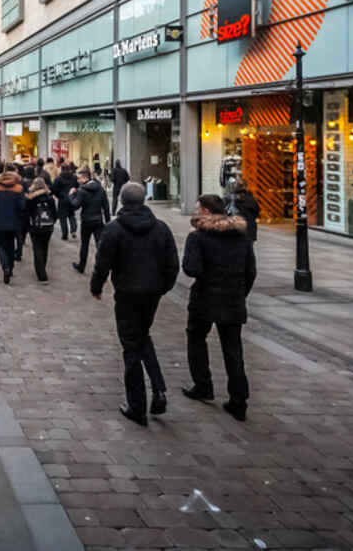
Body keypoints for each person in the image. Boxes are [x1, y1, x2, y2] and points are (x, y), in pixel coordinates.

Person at [90, 182, 179, 426]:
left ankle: (137, 405)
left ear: (122, 201)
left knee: (131, 345)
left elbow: (103, 262)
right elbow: (172, 264)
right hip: (151, 294)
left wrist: (96, 287)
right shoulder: (161, 228)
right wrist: (162, 288)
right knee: (142, 337)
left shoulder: (114, 229)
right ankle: (159, 389)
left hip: (127, 293)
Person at [182, 194, 258, 422]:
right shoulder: (241, 237)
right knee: (233, 350)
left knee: (196, 339)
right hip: (233, 299)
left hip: (205, 297)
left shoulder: (198, 237)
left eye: (198, 208)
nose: (195, 212)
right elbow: (251, 272)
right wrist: (239, 292)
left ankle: (203, 385)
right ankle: (239, 400)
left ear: (206, 211)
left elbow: (191, 269)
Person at [0, 168, 27, 285]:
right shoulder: (19, 189)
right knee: (10, 246)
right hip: (14, 223)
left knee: (0, 246)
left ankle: (5, 267)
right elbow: (22, 205)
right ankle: (11, 267)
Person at [69, 167, 110, 274]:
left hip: (87, 221)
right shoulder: (100, 189)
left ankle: (81, 266)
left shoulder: (82, 191)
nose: (77, 181)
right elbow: (106, 207)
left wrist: (71, 195)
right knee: (99, 246)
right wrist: (108, 222)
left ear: (83, 178)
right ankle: (101, 269)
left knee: (85, 245)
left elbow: (75, 205)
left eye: (78, 179)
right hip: (98, 220)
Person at [24, 177, 58, 282]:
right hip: (48, 226)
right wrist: (53, 221)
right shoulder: (49, 198)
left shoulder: (31, 199)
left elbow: (27, 213)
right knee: (45, 247)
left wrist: (27, 226)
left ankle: (41, 273)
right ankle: (43, 266)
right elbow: (54, 213)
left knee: (37, 248)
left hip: (35, 226)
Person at [227, 176, 260, 243]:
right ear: (245, 187)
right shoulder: (252, 199)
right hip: (249, 231)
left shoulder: (228, 199)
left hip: (233, 231)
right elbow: (257, 211)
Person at [55, 164, 80, 241]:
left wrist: (58, 195)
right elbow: (77, 186)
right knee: (71, 215)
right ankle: (73, 230)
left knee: (63, 218)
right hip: (71, 198)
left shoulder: (59, 178)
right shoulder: (74, 177)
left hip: (62, 200)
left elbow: (55, 189)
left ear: (62, 169)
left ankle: (64, 234)